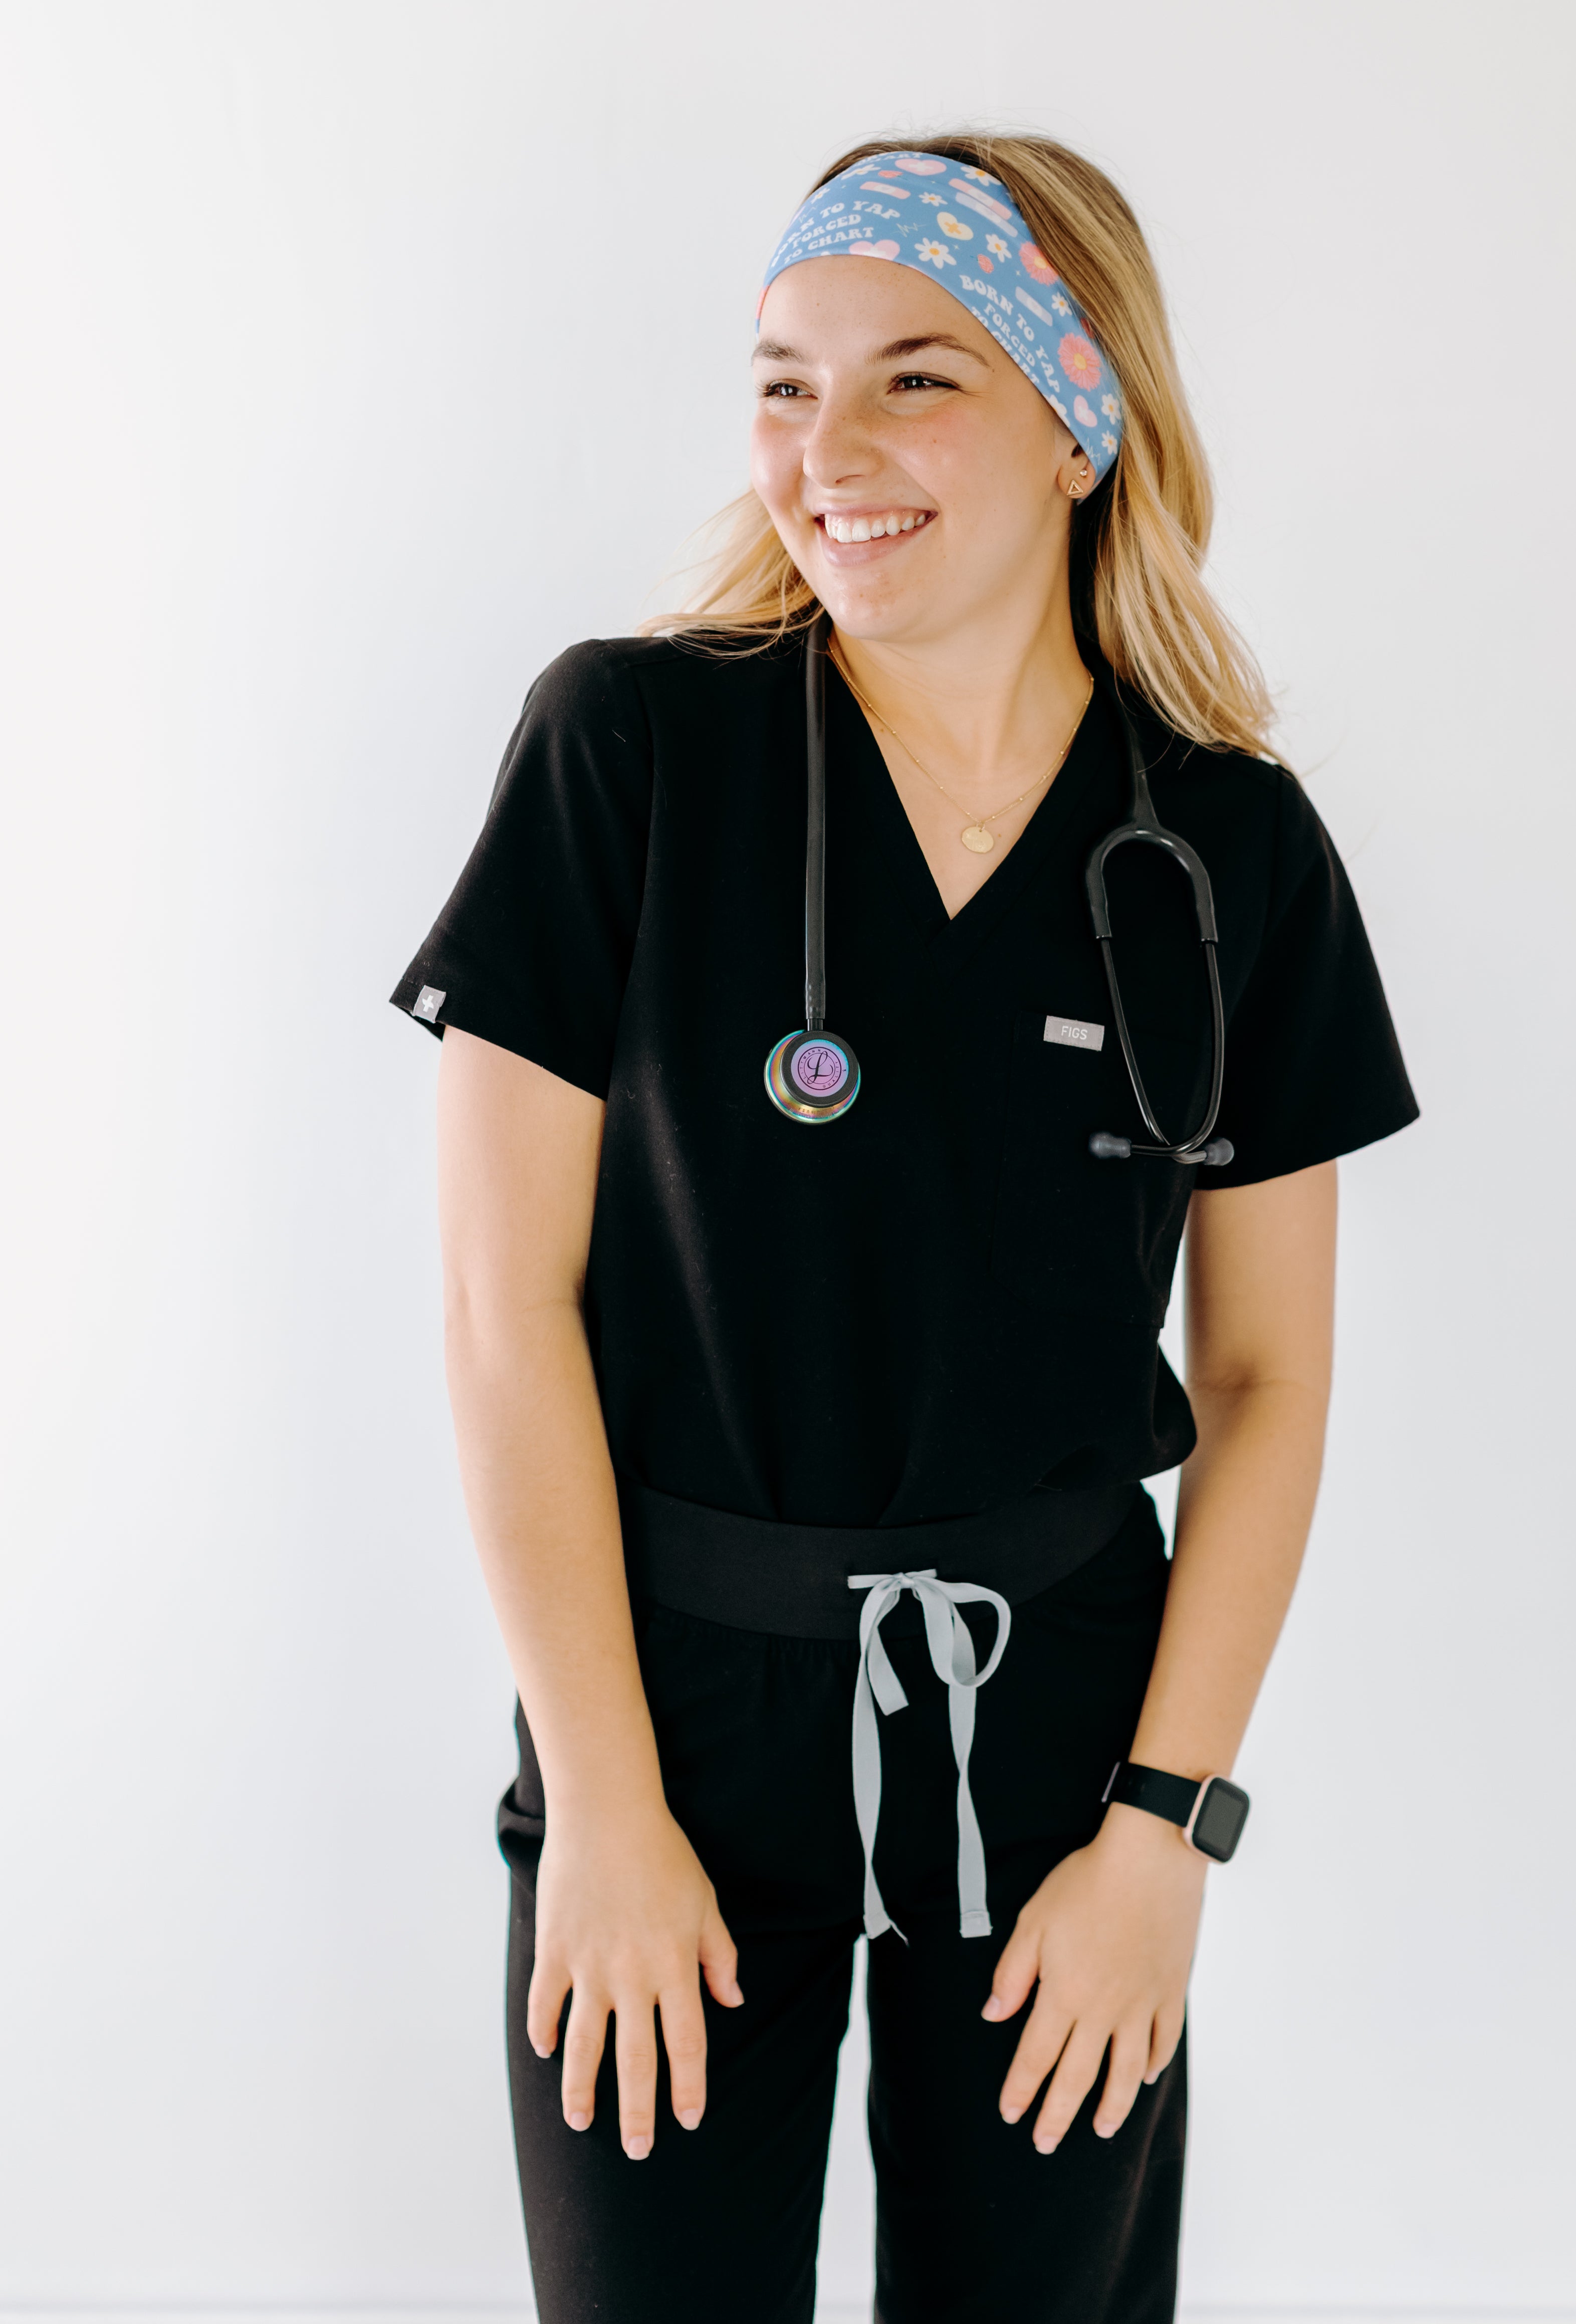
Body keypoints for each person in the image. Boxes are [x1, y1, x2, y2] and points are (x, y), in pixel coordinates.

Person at [391, 132, 1417, 2324]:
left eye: (914, 379)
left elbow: (1266, 1381)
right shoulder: (632, 756)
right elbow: (505, 1317)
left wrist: (1162, 1838)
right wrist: (603, 1808)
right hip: (664, 1718)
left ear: (1079, 414)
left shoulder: (1224, 853)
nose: (825, 451)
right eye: (780, 382)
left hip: (1058, 1741)